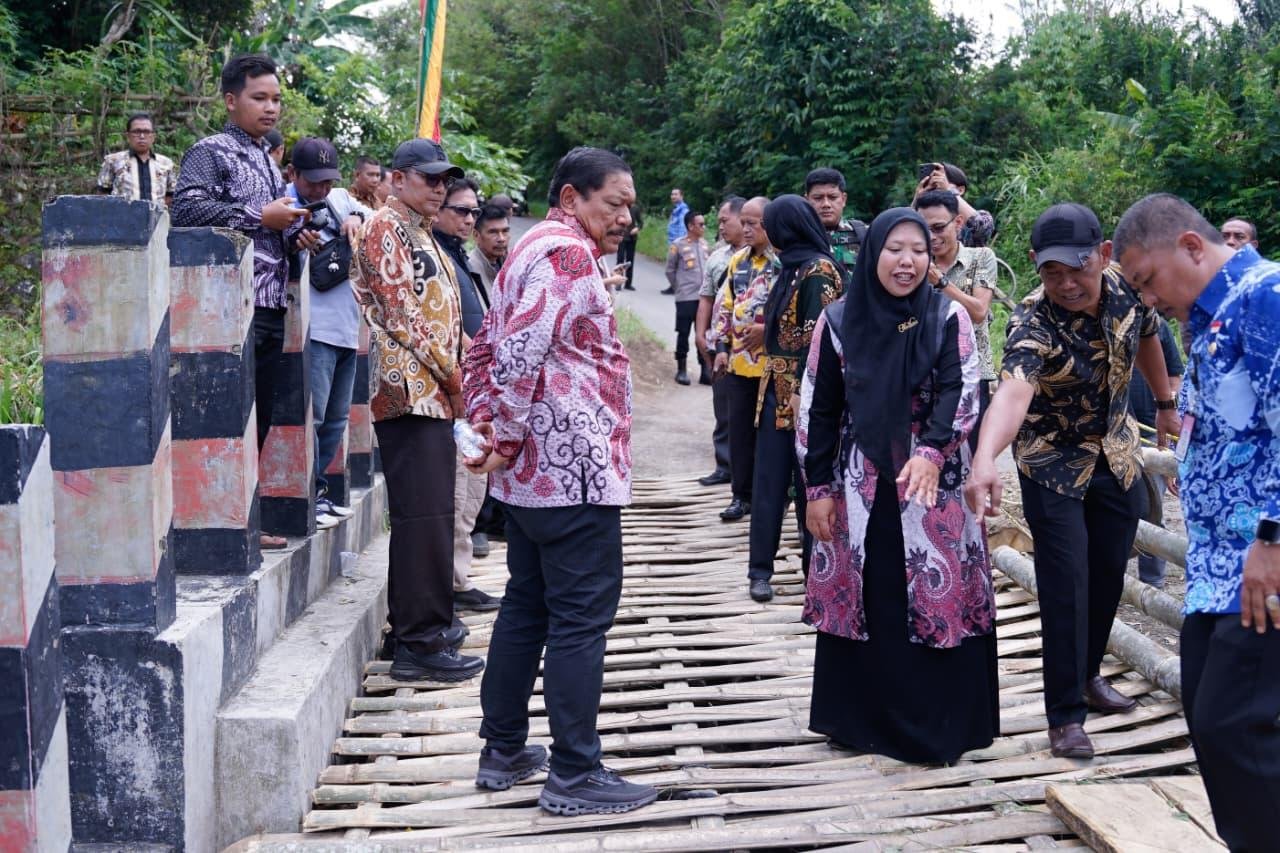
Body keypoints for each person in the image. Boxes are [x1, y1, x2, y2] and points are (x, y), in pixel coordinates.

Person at [462, 147, 656, 815]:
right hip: (570, 470)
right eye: (615, 202)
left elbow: (485, 341)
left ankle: (505, 748)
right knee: (579, 619)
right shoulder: (567, 254)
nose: (627, 216)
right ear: (572, 197)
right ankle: (575, 769)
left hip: (532, 478)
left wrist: (488, 427)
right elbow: (515, 353)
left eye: (631, 205)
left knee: (528, 604)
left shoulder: (530, 246)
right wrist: (503, 433)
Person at [964, 202, 1178, 760]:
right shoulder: (1032, 321)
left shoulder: (1127, 290)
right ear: (1035, 264)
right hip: (1052, 465)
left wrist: (1164, 403)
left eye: (1076, 269)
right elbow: (1012, 391)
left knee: (1108, 574)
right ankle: (1065, 716)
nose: (1065, 284)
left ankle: (1088, 676)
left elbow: (1150, 336)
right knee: (1066, 586)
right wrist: (986, 457)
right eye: (1051, 272)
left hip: (1116, 455)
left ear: (1103, 256)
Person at [799, 207, 998, 764]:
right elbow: (817, 406)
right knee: (869, 592)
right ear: (873, 254)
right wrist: (818, 490)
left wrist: (933, 451)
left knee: (933, 594)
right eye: (894, 249)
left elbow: (962, 392)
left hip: (933, 483)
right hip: (858, 480)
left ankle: (933, 732)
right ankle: (859, 724)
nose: (907, 261)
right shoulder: (839, 320)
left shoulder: (946, 317)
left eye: (918, 249)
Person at [1113, 193, 1280, 852]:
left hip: (1260, 556)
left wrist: (1273, 537)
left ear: (1190, 245)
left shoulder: (1265, 296)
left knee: (1231, 721)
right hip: (1216, 564)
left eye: (1149, 281)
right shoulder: (1204, 317)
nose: (1149, 300)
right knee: (1208, 716)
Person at [350, 137, 484, 683]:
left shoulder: (421, 231)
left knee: (429, 516)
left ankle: (425, 624)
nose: (440, 188)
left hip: (430, 391)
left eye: (443, 180)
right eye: (429, 179)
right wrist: (454, 378)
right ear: (398, 179)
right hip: (409, 390)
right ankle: (418, 643)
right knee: (423, 517)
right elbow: (401, 315)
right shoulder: (387, 226)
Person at [172, 53, 318, 551]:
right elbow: (187, 208)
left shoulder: (263, 155)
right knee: (231, 418)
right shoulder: (210, 151)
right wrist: (262, 216)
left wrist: (292, 233)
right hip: (231, 312)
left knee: (261, 420)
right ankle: (223, 524)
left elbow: (271, 221)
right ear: (231, 100)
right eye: (260, 98)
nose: (271, 107)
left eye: (276, 99)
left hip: (272, 305)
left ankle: (246, 522)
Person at [747, 196, 843, 602]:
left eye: (770, 225)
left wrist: (806, 395)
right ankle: (759, 571)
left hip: (807, 396)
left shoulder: (818, 272)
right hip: (775, 391)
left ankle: (815, 574)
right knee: (768, 481)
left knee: (810, 485)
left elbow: (819, 341)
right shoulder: (791, 268)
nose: (767, 234)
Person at [284, 137, 371, 530]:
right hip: (314, 330)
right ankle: (310, 496)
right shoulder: (283, 205)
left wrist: (358, 220)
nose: (320, 189)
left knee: (336, 419)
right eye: (313, 181)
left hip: (348, 328)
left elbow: (374, 216)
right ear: (293, 174)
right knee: (314, 419)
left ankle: (319, 493)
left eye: (326, 180)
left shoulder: (339, 200)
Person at [432, 177, 501, 613]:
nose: (468, 218)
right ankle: (449, 589)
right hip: (455, 393)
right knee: (456, 495)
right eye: (461, 210)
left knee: (470, 493)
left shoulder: (459, 258)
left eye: (473, 211)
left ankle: (457, 580)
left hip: (474, 393)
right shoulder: (437, 256)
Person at [913, 190, 998, 450]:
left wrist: (939, 281)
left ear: (958, 223)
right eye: (924, 230)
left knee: (970, 456)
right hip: (924, 375)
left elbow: (979, 311)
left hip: (973, 374)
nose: (931, 237)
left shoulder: (981, 257)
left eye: (939, 228)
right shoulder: (914, 262)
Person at [710, 196, 777, 522]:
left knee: (770, 435)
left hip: (774, 368)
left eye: (755, 223)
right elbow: (725, 306)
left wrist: (767, 331)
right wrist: (721, 348)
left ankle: (770, 497)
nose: (747, 229)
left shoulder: (784, 262)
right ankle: (741, 496)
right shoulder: (738, 260)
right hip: (738, 364)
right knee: (739, 432)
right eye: (745, 223)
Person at [1125, 318, 1183, 589]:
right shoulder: (1096, 319)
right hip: (1113, 430)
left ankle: (1153, 580)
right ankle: (1113, 577)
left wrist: (1167, 403)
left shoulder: (1157, 325)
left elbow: (1175, 374)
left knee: (1152, 508)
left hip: (1151, 430)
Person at [695, 196, 746, 486]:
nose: (721, 226)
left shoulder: (767, 258)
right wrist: (701, 335)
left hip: (750, 347)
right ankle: (724, 465)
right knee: (723, 406)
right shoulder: (717, 257)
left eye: (725, 221)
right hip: (721, 344)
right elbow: (706, 299)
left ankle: (746, 473)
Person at [665, 209, 709, 385]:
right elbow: (670, 270)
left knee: (703, 334)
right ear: (690, 226)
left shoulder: (705, 245)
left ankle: (704, 370)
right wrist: (679, 288)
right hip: (686, 298)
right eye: (700, 224)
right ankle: (681, 370)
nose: (703, 227)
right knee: (683, 333)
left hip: (704, 298)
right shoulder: (678, 245)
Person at [97, 112, 177, 205]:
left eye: (146, 132)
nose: (142, 136)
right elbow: (102, 195)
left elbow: (171, 195)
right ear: (128, 136)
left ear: (153, 137)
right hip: (122, 217)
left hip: (156, 218)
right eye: (136, 132)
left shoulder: (166, 164)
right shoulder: (113, 161)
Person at [803, 167, 866, 283]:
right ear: (806, 200)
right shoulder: (796, 239)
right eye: (818, 198)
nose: (826, 204)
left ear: (843, 199)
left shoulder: (863, 235)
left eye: (832, 197)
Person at [916, 162, 995, 248]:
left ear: (960, 190)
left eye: (939, 228)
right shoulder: (921, 219)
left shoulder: (967, 226)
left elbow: (981, 226)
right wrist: (917, 199)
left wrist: (949, 191)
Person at [469, 204, 510, 294]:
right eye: (493, 232)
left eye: (505, 231)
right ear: (476, 235)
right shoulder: (470, 270)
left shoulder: (511, 263)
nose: (501, 239)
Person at [615, 203, 643, 290]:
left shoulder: (635, 208)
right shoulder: (619, 207)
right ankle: (618, 282)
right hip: (622, 237)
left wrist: (637, 228)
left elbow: (641, 222)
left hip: (632, 238)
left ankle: (628, 283)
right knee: (620, 259)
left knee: (630, 260)